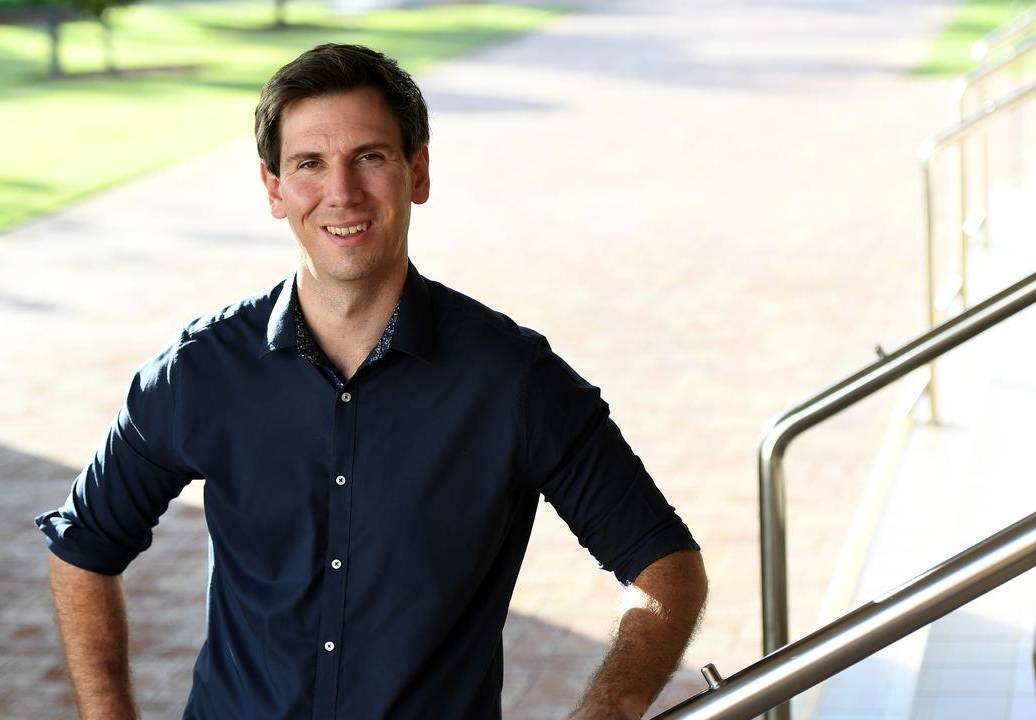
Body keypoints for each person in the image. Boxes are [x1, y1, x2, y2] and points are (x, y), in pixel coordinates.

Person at [35, 43, 708, 720]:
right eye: (309, 164)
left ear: (417, 171)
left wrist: (611, 706)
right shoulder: (202, 374)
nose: (342, 193)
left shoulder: (511, 381)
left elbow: (664, 563)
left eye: (371, 156)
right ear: (274, 188)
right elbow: (84, 549)